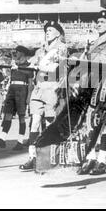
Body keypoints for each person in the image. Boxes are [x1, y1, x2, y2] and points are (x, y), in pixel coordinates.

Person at [19, 21, 68, 171]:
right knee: (34, 122)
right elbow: (29, 62)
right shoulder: (41, 50)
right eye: (46, 30)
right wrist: (20, 64)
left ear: (58, 33)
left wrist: (37, 65)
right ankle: (32, 157)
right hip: (39, 88)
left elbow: (53, 67)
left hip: (52, 88)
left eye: (51, 30)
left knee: (49, 123)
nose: (48, 32)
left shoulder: (61, 48)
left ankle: (48, 157)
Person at [77, 10, 106, 176]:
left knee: (103, 123)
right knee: (89, 122)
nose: (98, 24)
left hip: (105, 84)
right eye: (98, 22)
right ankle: (91, 158)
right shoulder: (92, 43)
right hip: (91, 84)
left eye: (102, 22)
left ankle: (102, 161)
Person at [0, 46, 34, 151]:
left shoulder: (29, 66)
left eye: (18, 51)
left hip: (22, 90)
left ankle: (20, 141)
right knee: (7, 114)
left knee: (21, 116)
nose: (16, 53)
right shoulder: (14, 64)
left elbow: (30, 83)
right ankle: (2, 139)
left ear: (23, 53)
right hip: (12, 89)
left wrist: (29, 96)